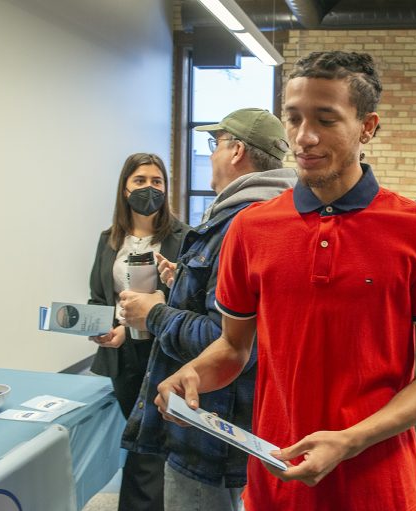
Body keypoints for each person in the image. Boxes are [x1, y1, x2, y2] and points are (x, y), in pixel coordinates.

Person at [154, 51, 416, 511]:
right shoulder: (251, 228)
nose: (305, 137)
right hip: (275, 480)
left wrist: (351, 440)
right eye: (294, 118)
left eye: (326, 119)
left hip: (379, 488)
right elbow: (234, 347)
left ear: (368, 126)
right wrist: (193, 373)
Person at [118, 109, 296, 510]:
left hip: (209, 430)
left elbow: (228, 340)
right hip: (242, 423)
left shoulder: (240, 225)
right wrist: (179, 283)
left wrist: (155, 313)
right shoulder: (276, 216)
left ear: (236, 152)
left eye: (215, 145)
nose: (212, 155)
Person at [88, 152, 189, 511]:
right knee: (138, 440)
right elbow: (99, 297)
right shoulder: (108, 240)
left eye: (157, 181)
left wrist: (171, 287)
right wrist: (108, 329)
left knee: (158, 440)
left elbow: (195, 301)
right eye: (140, 181)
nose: (149, 188)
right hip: (123, 354)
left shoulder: (185, 238)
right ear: (125, 188)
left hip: (168, 352)